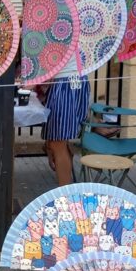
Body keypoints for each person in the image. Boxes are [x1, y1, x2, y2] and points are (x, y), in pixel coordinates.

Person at [35, 56, 91, 186]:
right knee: (59, 141)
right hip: (75, 78)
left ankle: (65, 197)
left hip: (65, 81)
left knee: (57, 143)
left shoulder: (59, 36)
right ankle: (52, 150)